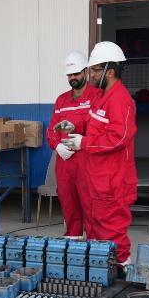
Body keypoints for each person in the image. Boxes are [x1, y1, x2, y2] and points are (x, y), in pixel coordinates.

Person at [61, 41, 138, 266]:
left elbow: (119, 138)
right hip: (98, 179)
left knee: (112, 233)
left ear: (109, 71)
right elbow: (93, 125)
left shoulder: (120, 99)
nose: (91, 75)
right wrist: (75, 127)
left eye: (95, 70)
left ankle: (122, 270)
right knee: (95, 229)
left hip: (113, 182)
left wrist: (84, 143)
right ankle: (102, 271)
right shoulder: (102, 97)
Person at [46, 51, 102, 238]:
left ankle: (94, 247)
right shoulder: (61, 100)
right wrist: (57, 146)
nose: (73, 78)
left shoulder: (97, 96)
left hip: (88, 162)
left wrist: (81, 137)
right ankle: (72, 242)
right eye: (69, 75)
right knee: (69, 207)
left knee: (91, 207)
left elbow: (99, 130)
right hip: (65, 163)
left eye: (76, 73)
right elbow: (52, 131)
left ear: (86, 71)